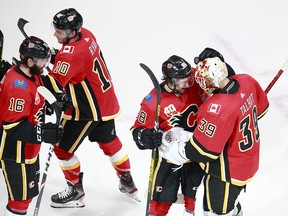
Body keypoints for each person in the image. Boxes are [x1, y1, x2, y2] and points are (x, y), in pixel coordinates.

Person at [43, 8, 138, 208]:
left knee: (62, 149)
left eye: (59, 32)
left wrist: (34, 67)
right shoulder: (87, 35)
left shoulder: (70, 55)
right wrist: (53, 55)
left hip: (86, 111)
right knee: (110, 142)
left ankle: (75, 191)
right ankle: (128, 182)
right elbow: (76, 62)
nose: (55, 34)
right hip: (106, 102)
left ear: (72, 33)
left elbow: (53, 84)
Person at [160, 49, 269, 216]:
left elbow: (202, 151)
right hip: (248, 160)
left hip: (226, 174)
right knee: (230, 204)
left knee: (214, 212)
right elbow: (261, 110)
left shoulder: (216, 108)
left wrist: (173, 150)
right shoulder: (247, 81)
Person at [131, 55, 206, 216]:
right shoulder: (153, 101)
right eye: (183, 81)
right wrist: (146, 137)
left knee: (198, 199)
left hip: (198, 149)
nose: (188, 84)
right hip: (169, 155)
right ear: (170, 80)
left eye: (189, 79)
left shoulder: (193, 79)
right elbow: (137, 130)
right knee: (159, 204)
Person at [0, 36, 63, 216]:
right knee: (19, 201)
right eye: (40, 60)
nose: (44, 64)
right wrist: (43, 133)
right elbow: (12, 126)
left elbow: (36, 95)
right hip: (15, 152)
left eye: (45, 59)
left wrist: (52, 102)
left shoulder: (31, 74)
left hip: (29, 148)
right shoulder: (17, 87)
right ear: (28, 60)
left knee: (28, 195)